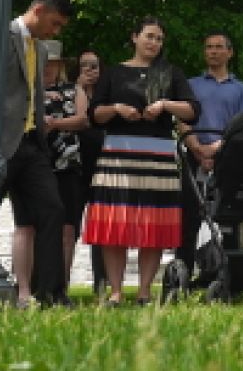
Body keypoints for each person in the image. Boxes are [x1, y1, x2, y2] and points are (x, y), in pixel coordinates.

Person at [0, 0, 74, 308]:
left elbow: (32, 94)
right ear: (37, 11)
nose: (56, 31)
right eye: (55, 23)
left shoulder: (41, 49)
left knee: (53, 210)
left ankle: (51, 294)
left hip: (32, 145)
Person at [85, 17, 200, 305]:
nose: (154, 43)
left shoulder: (170, 73)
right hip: (117, 155)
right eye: (149, 36)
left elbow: (192, 111)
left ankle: (145, 291)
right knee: (116, 221)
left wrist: (164, 105)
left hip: (158, 155)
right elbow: (94, 114)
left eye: (159, 39)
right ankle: (115, 291)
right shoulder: (113, 73)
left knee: (153, 222)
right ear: (134, 37)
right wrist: (116, 109)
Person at [176, 32, 243, 276]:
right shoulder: (191, 85)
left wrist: (217, 148)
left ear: (230, 52)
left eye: (219, 47)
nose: (213, 51)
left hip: (228, 158)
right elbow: (182, 120)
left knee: (228, 218)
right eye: (209, 47)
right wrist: (197, 148)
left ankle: (228, 276)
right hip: (193, 157)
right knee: (189, 218)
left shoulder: (241, 89)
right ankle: (184, 274)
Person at [41, 41, 90, 290]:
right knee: (34, 226)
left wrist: (55, 124)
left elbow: (82, 120)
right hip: (37, 165)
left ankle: (61, 285)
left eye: (51, 63)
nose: (47, 68)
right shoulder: (26, 91)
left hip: (68, 165)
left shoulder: (74, 90)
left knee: (68, 228)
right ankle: (32, 283)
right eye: (43, 62)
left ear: (59, 66)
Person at [72, 49, 107, 296]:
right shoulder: (70, 93)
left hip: (103, 167)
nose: (89, 70)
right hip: (75, 168)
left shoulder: (106, 98)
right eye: (84, 65)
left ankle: (102, 283)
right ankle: (57, 281)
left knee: (101, 227)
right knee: (69, 225)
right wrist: (79, 89)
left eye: (94, 65)